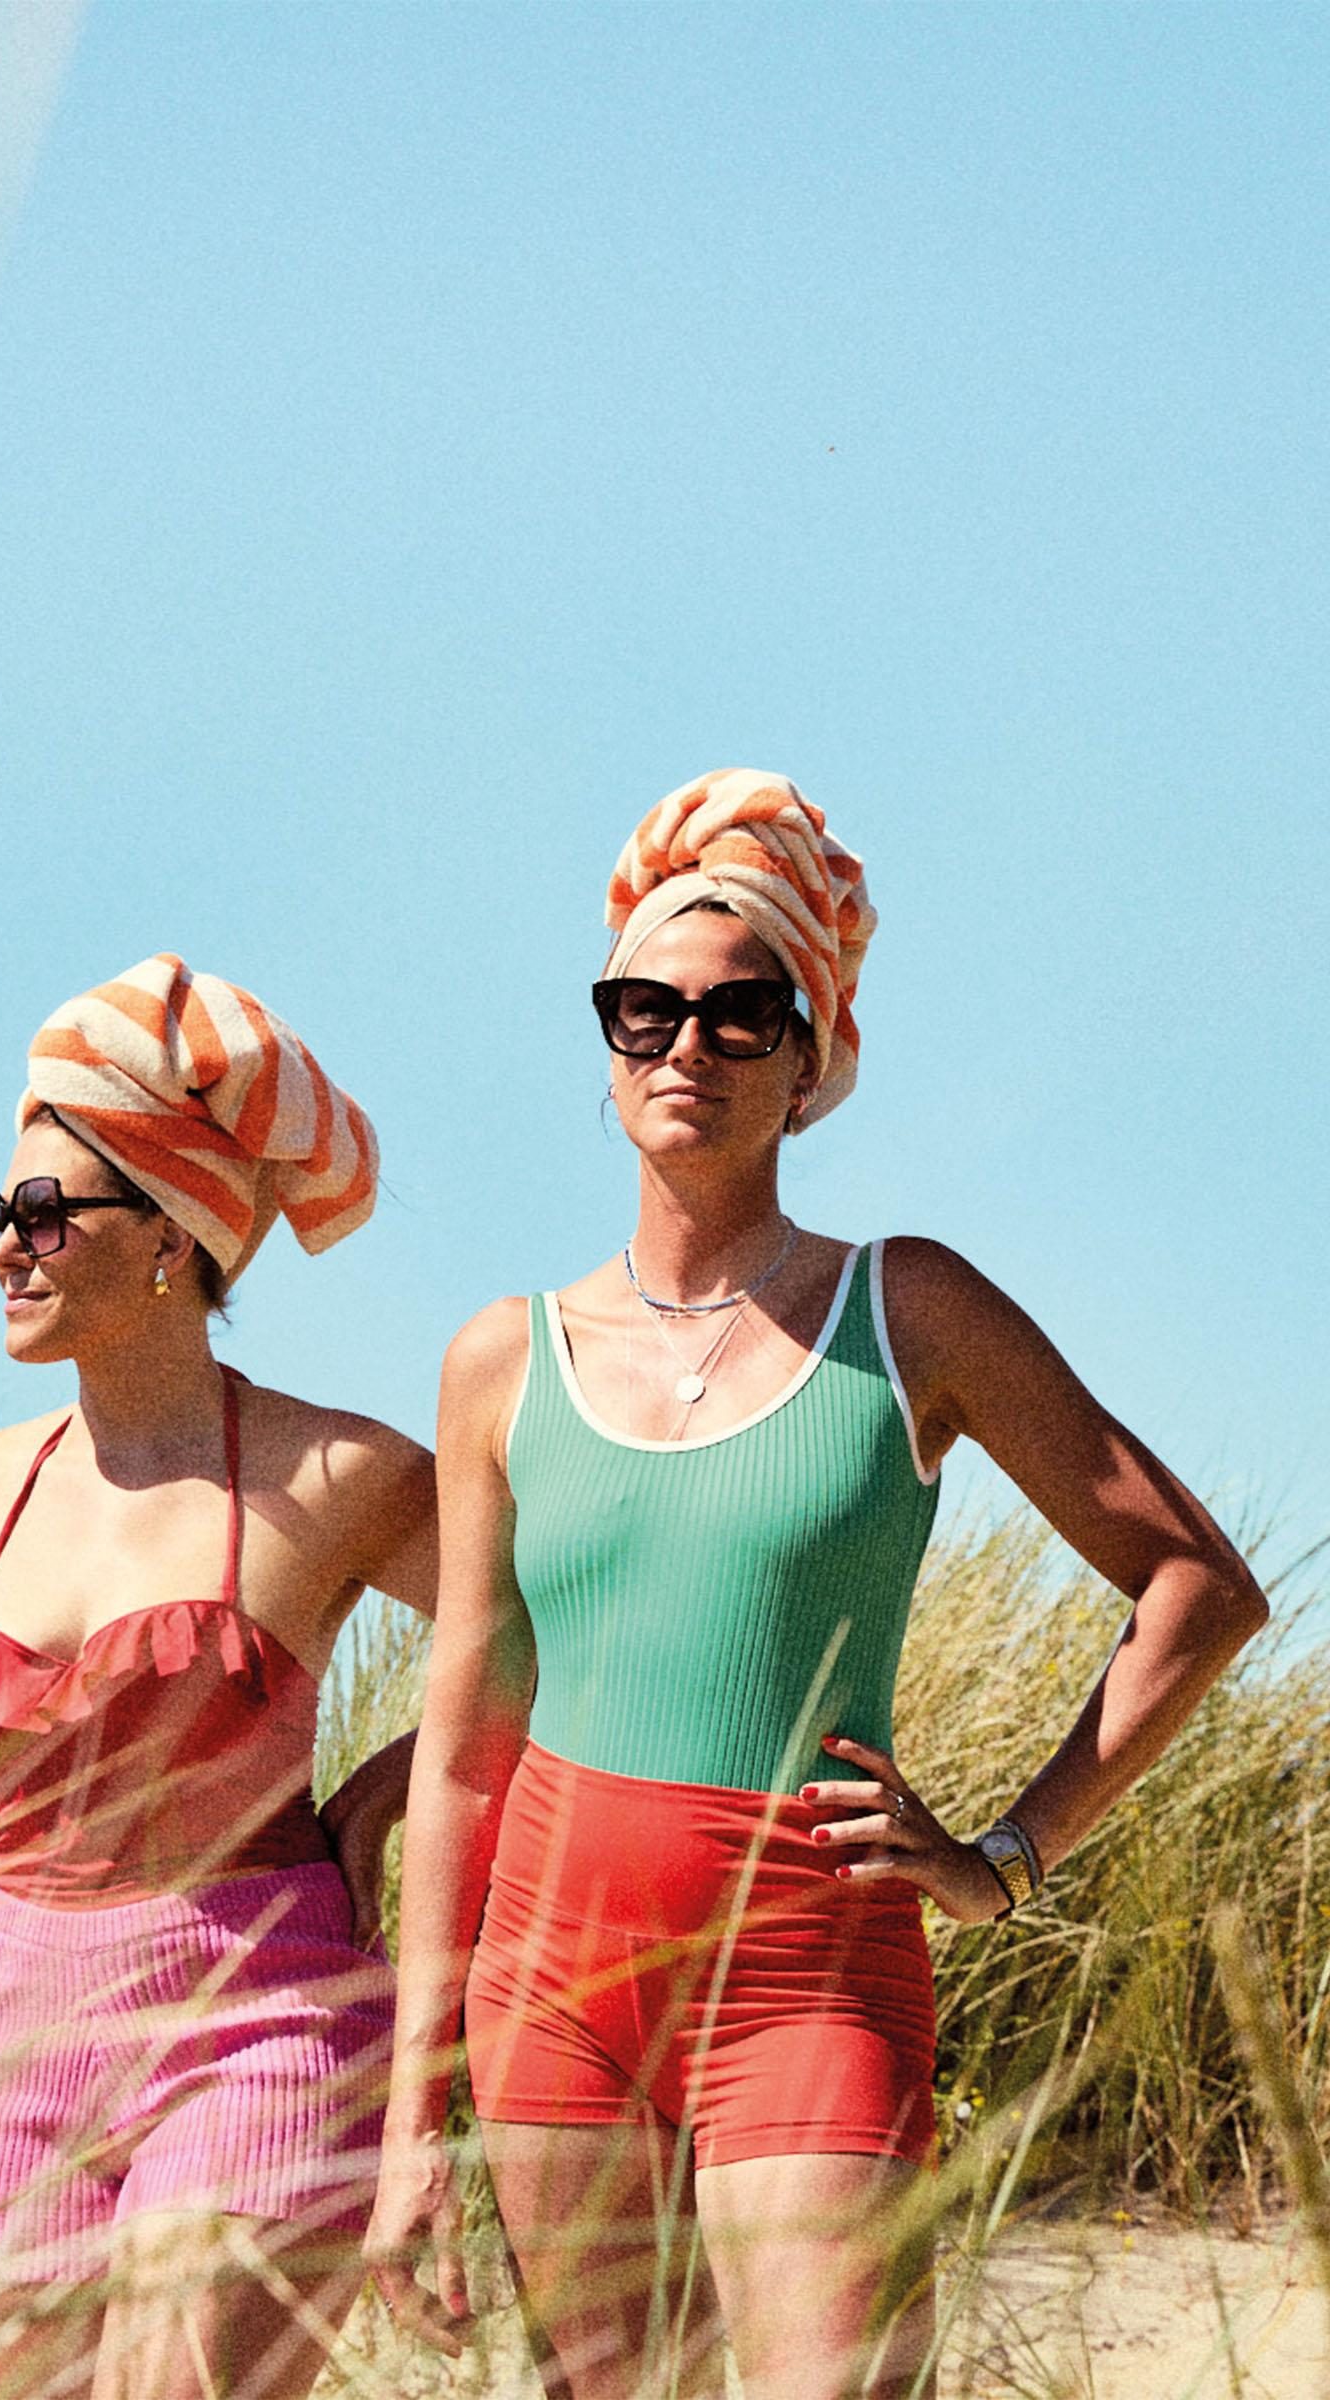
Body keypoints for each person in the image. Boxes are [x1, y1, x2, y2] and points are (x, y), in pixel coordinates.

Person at [365, 771, 1269, 2400]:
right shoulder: (504, 1360)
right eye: (645, 1013)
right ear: (609, 1043)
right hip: (549, 1981)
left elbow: (1199, 1587)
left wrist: (1007, 1855)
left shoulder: (905, 1311)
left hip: (809, 1974)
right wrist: (409, 2124)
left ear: (810, 1059)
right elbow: (458, 1756)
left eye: (739, 1015)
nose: (685, 1048)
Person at [0, 954, 436, 2400]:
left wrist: (379, 1803)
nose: (8, 1245)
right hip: (17, 2032)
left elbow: (556, 1650)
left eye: (47, 1214)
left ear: (176, 1234)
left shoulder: (341, 1474)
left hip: (263, 2018)